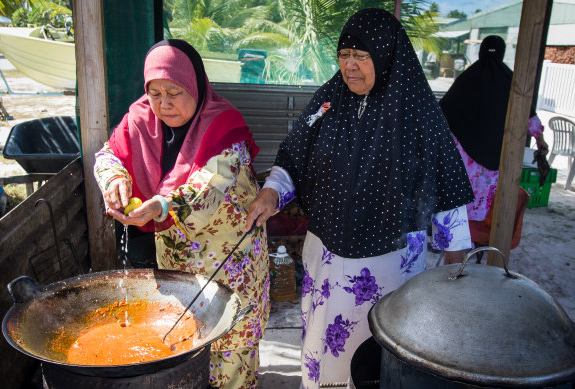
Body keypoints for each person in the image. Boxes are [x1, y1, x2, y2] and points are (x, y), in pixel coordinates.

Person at [245, 8, 475, 388]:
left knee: (379, 348)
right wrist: (271, 192)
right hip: (328, 254)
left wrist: (455, 257)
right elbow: (293, 156)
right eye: (344, 55)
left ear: (384, 56)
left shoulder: (417, 111)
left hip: (391, 259)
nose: (350, 66)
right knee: (323, 340)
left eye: (361, 56)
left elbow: (447, 187)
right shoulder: (330, 98)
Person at [93, 39, 270, 389]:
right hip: (176, 261)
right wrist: (114, 179)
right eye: (154, 92)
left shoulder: (224, 125)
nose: (163, 104)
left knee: (230, 348)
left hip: (230, 261)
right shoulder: (140, 118)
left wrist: (159, 205)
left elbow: (209, 185)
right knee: (184, 342)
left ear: (195, 85)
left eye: (174, 91)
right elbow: (108, 155)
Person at [439, 35, 549, 223]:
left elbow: (443, 112)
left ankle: (457, 235)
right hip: (494, 153)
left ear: (481, 50)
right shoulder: (510, 80)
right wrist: (540, 140)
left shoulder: (467, 77)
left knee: (458, 198)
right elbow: (529, 116)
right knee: (481, 197)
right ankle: (473, 237)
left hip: (463, 154)